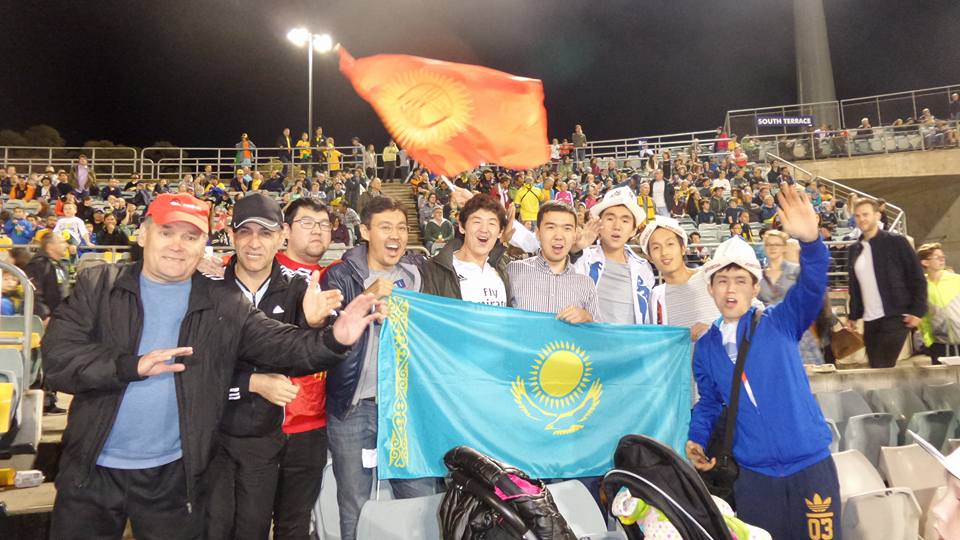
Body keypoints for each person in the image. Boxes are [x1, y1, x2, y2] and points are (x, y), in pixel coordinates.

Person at [41, 192, 382, 540]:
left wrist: (335, 338)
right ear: (143, 234)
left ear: (203, 245)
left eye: (190, 237)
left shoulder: (222, 302)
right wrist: (132, 366)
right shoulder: (98, 286)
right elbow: (57, 360)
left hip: (173, 477)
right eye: (166, 232)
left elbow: (282, 344)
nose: (178, 246)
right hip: (91, 469)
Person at [686, 187, 840, 539]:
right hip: (754, 477)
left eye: (740, 281)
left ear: (754, 288)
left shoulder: (780, 321)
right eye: (722, 281)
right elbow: (710, 401)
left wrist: (812, 242)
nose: (730, 290)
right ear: (710, 288)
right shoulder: (706, 346)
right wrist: (697, 438)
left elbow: (812, 285)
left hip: (809, 466)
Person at [207, 194, 342, 540]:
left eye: (265, 233)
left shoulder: (299, 290)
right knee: (215, 528)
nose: (254, 243)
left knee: (262, 528)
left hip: (271, 438)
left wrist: (315, 325)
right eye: (245, 232)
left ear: (281, 236)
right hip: (213, 437)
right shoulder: (207, 287)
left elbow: (311, 352)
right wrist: (251, 383)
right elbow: (196, 369)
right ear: (232, 235)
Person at [321, 196, 436, 540]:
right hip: (355, 407)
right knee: (355, 504)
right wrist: (366, 300)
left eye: (401, 227)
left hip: (405, 410)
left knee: (420, 500)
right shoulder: (340, 275)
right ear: (365, 231)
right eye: (385, 227)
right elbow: (325, 336)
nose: (395, 235)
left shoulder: (417, 275)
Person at [846, 198, 927, 368]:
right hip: (870, 319)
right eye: (857, 216)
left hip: (895, 315)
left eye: (866, 214)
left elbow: (917, 276)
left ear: (877, 215)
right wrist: (853, 315)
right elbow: (855, 287)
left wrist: (917, 311)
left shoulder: (896, 242)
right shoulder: (854, 249)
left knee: (882, 365)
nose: (861, 219)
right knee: (877, 368)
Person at [572, 186, 655, 325]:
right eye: (610, 218)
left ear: (633, 230)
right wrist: (576, 249)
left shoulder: (644, 268)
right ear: (599, 224)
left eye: (625, 220)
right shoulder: (582, 259)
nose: (617, 226)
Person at [507, 201, 599, 322]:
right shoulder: (513, 271)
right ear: (538, 233)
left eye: (567, 228)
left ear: (574, 235)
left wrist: (588, 319)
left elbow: (597, 331)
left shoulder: (586, 284)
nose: (558, 236)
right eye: (551, 227)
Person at [422, 194, 510, 305]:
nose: (484, 229)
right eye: (477, 222)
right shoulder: (435, 270)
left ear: (500, 232)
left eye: (491, 223)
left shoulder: (503, 270)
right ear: (462, 227)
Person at [640, 216, 719, 339]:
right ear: (650, 258)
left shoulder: (709, 276)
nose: (664, 252)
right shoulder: (656, 297)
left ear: (683, 248)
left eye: (670, 244)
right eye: (656, 248)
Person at [918, 243, 960, 365]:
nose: (942, 259)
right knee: (942, 376)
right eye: (937, 257)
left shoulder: (956, 279)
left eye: (942, 256)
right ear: (925, 262)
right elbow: (923, 317)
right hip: (939, 344)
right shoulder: (921, 286)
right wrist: (929, 341)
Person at [758, 230, 799, 305]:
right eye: (769, 245)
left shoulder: (796, 270)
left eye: (777, 245)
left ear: (784, 247)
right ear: (764, 248)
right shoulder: (758, 275)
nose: (772, 248)